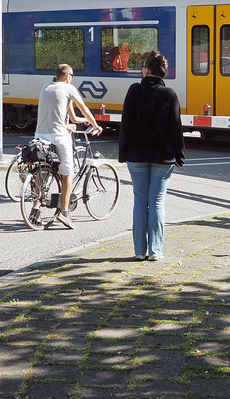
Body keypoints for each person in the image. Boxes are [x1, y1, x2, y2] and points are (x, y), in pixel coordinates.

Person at [117, 51, 185, 261]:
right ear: (162, 73)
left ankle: (139, 251)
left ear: (146, 70)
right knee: (156, 203)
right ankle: (155, 251)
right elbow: (176, 127)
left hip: (136, 156)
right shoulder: (170, 94)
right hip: (162, 157)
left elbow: (125, 123)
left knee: (140, 201)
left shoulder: (134, 90)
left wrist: (122, 153)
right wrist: (179, 155)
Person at [35, 63, 101, 229]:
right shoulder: (68, 88)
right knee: (67, 173)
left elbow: (70, 114)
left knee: (42, 172)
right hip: (59, 137)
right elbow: (84, 109)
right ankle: (64, 212)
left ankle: (35, 209)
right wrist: (95, 125)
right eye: (71, 76)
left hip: (40, 135)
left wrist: (79, 121)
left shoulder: (45, 87)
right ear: (67, 76)